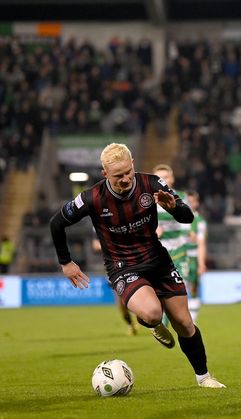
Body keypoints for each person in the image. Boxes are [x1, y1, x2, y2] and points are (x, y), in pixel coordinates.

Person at [49, 143, 225, 388]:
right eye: (117, 176)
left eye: (128, 172)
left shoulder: (151, 183)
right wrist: (66, 262)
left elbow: (188, 217)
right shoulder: (92, 197)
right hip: (123, 267)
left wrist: (174, 207)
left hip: (159, 261)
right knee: (153, 313)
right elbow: (56, 223)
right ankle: (151, 324)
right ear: (104, 174)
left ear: (132, 163)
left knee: (184, 323)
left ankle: (204, 378)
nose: (125, 179)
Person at [152, 164, 191, 326]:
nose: (163, 180)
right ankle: (161, 323)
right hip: (157, 253)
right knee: (157, 292)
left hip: (178, 251)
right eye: (159, 178)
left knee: (178, 292)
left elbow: (187, 224)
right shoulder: (148, 200)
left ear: (172, 179)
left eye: (166, 177)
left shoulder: (181, 197)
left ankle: (170, 324)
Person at [92, 237, 139, 336]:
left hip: (131, 264)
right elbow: (95, 245)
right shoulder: (99, 227)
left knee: (137, 295)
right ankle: (131, 324)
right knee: (121, 305)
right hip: (114, 267)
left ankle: (145, 315)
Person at [185, 190, 207, 322]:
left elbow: (201, 243)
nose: (189, 204)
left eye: (192, 201)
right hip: (175, 256)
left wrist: (201, 263)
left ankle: (192, 318)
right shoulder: (175, 217)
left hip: (192, 257)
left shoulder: (199, 221)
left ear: (196, 203)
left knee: (193, 287)